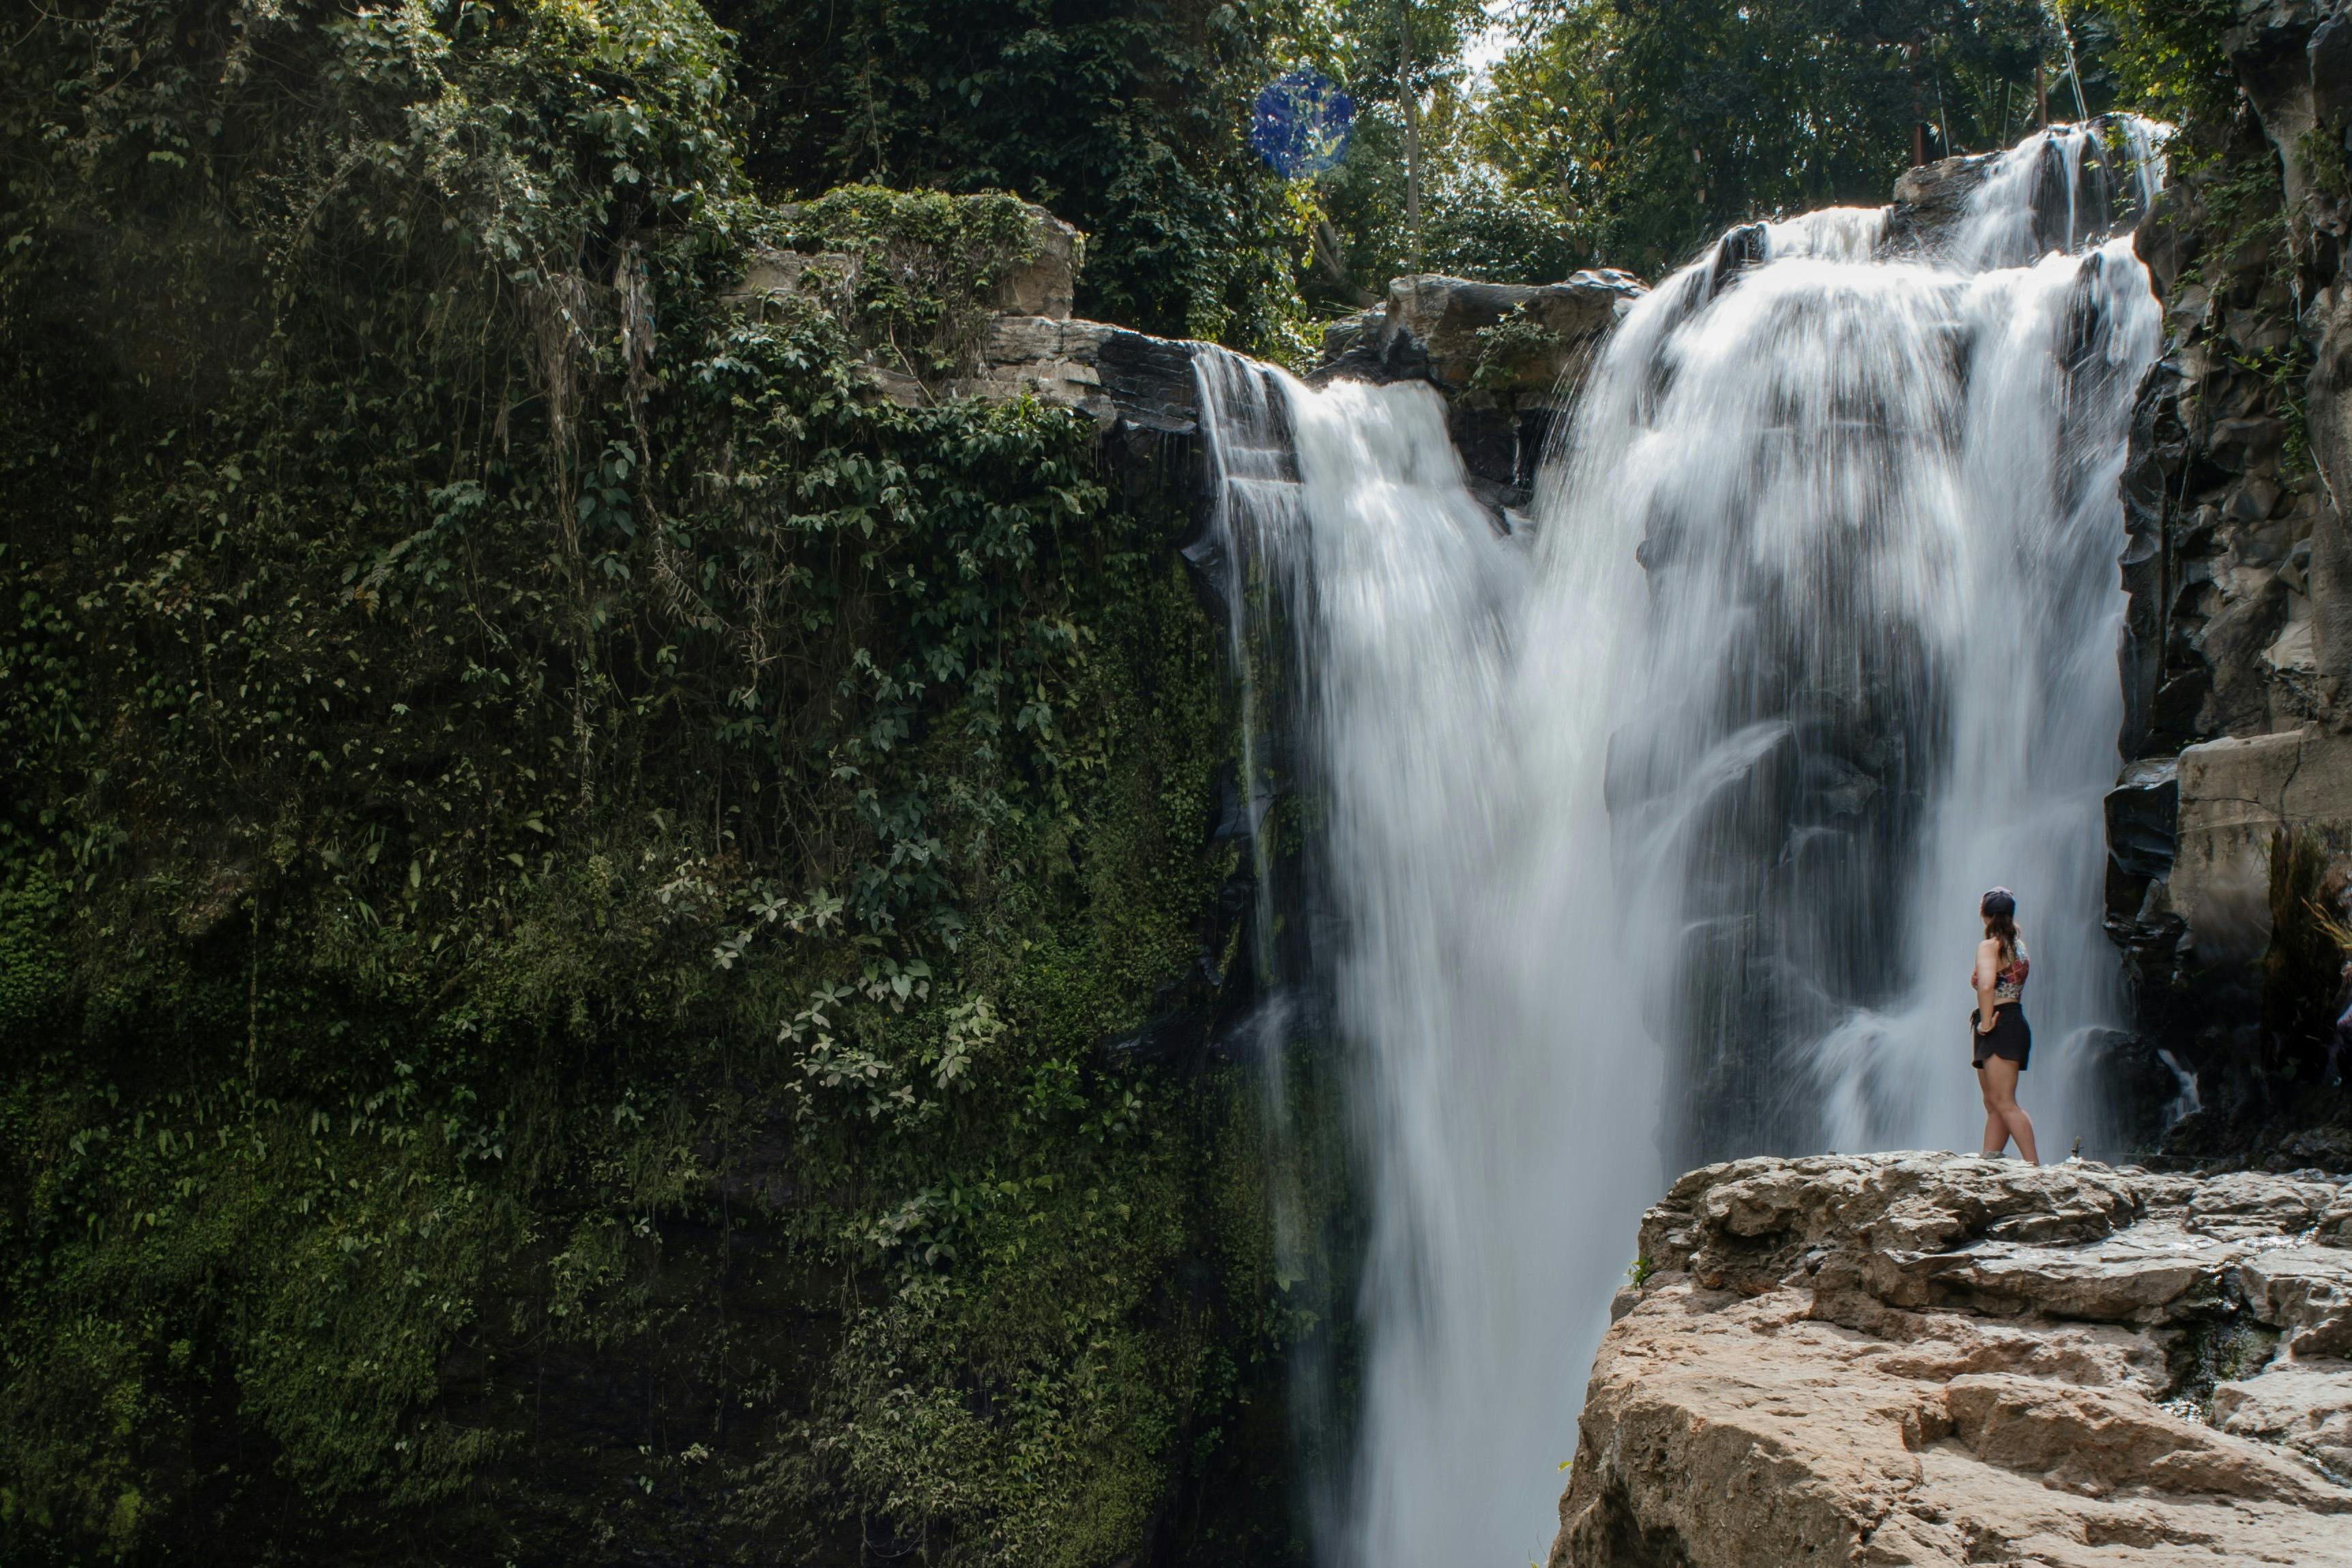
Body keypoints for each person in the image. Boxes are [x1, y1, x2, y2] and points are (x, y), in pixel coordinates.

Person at [1971, 887, 2039, 1164]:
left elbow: (1986, 985)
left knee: (2004, 1101)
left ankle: (2034, 1166)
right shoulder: (2019, 947)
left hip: (1999, 1021)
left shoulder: (1990, 946)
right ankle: (1989, 1160)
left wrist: (1986, 1023)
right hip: (2013, 1019)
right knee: (1994, 1102)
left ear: (1983, 913)